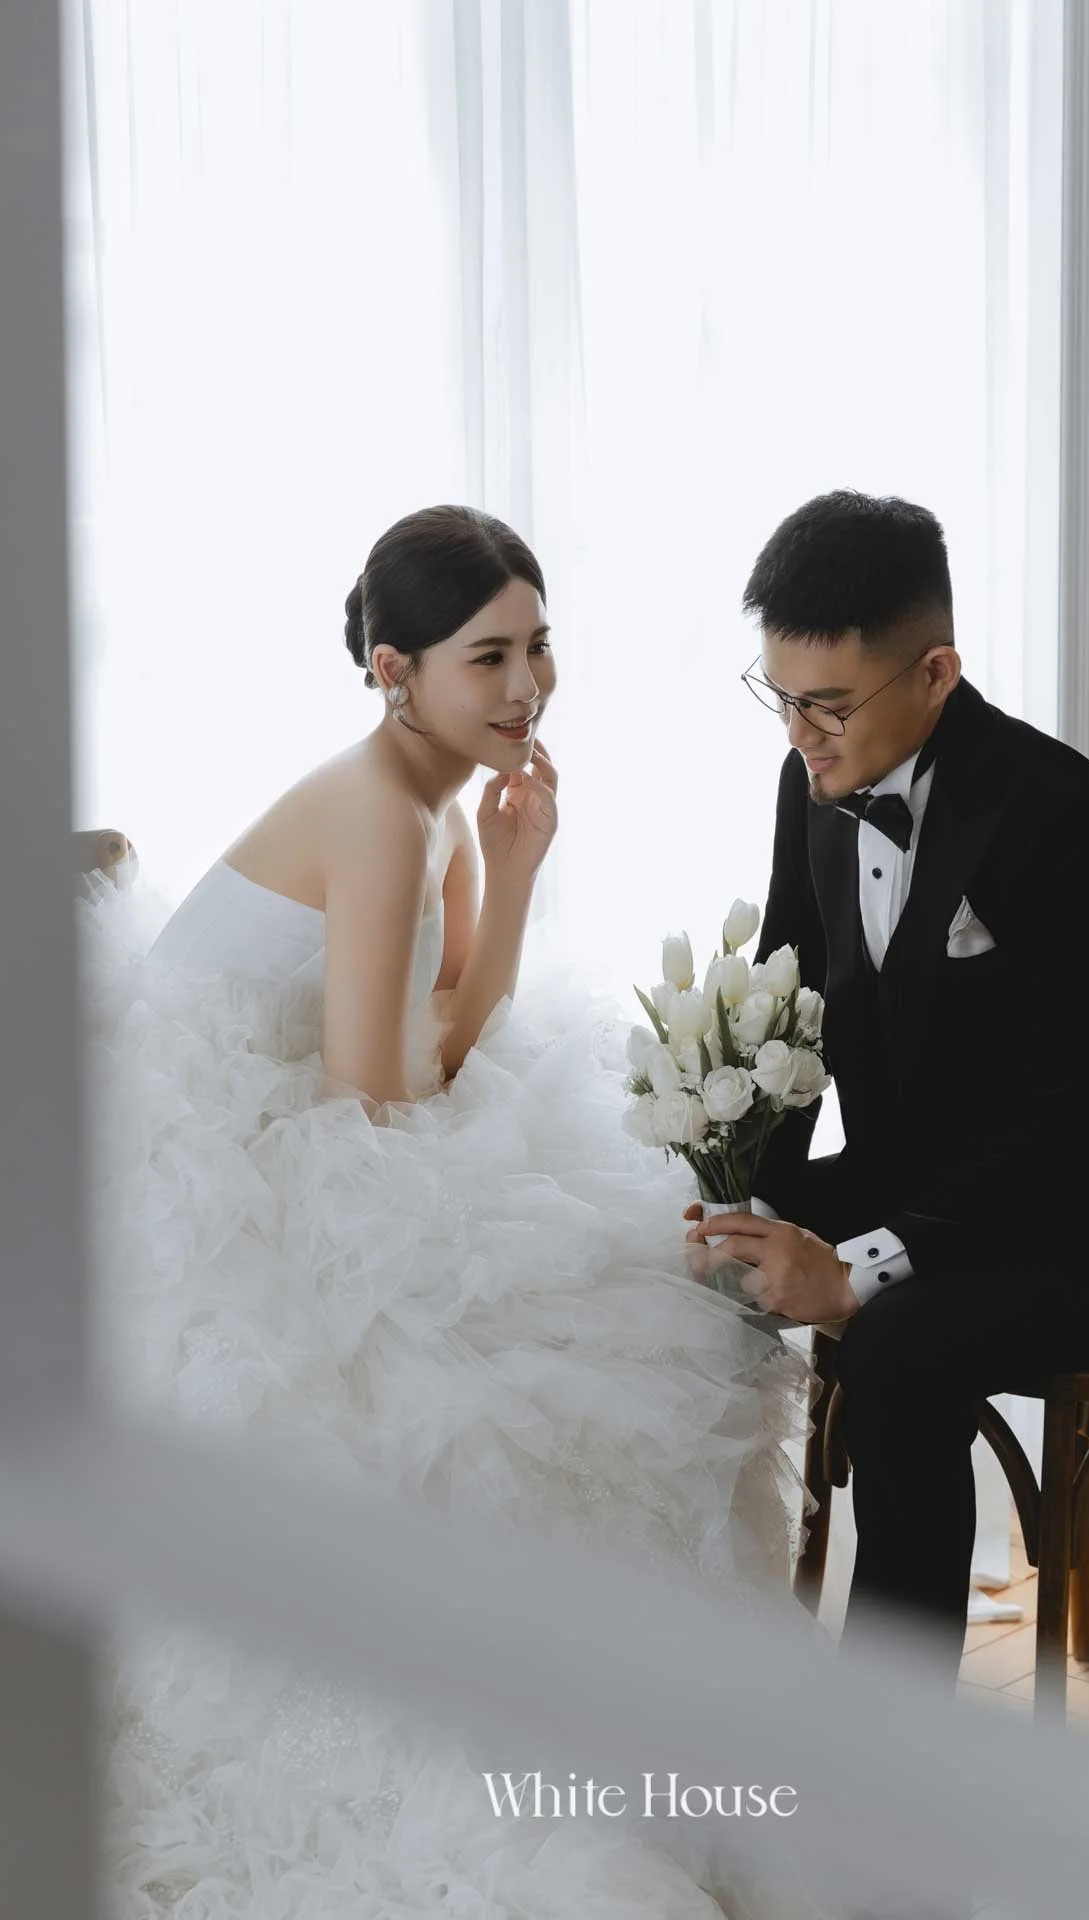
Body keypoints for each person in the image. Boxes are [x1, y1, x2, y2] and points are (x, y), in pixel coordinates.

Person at [83, 505, 824, 1918]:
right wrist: (458, 993)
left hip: (335, 1127)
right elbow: (377, 1104)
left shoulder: (444, 796)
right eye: (489, 657)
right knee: (537, 1381)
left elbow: (455, 1033)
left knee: (650, 1311)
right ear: (393, 670)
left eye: (540, 646)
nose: (528, 686)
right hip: (227, 1168)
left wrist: (520, 866)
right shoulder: (375, 811)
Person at [687, 489, 1089, 1682]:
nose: (800, 733)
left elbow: (1080, 1123)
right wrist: (751, 1203)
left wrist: (855, 1268)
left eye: (828, 704)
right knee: (681, 1257)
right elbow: (790, 1009)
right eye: (779, 697)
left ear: (934, 672)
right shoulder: (810, 784)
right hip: (932, 1182)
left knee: (893, 1347)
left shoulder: (1057, 811)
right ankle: (706, 1662)